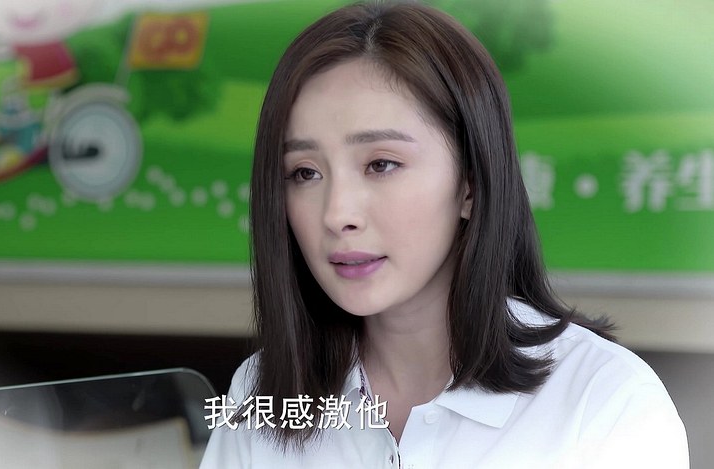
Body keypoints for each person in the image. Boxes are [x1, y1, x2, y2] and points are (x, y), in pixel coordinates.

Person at [200, 2, 688, 468]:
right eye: (305, 173)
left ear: (470, 184)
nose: (337, 214)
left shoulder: (604, 402)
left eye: (381, 164)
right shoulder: (260, 394)